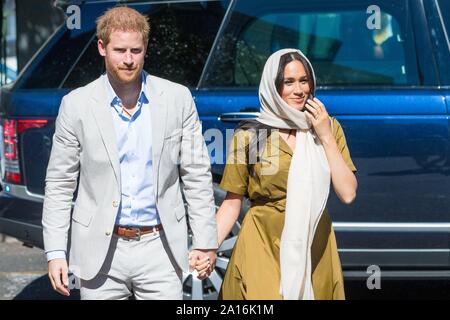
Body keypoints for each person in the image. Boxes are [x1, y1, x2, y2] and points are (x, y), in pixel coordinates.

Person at [42, 6, 217, 300]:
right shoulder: (76, 105)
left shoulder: (176, 98)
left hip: (160, 247)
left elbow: (196, 174)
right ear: (102, 47)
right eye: (120, 50)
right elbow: (60, 185)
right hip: (99, 250)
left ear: (145, 48)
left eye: (136, 50)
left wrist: (205, 241)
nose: (128, 59)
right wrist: (56, 252)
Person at [196, 48, 357, 300]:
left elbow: (347, 193)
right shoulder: (249, 135)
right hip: (262, 239)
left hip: (314, 240)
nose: (299, 90)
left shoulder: (328, 128)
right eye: (288, 82)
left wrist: (325, 136)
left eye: (304, 81)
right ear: (273, 87)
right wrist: (207, 247)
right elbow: (231, 203)